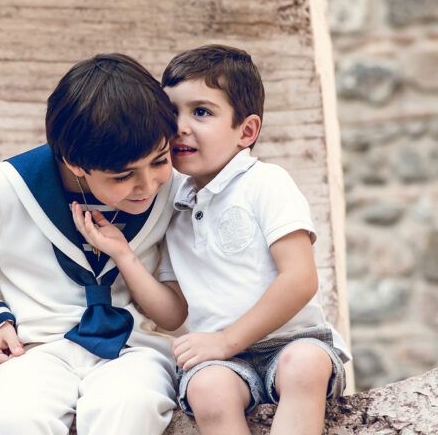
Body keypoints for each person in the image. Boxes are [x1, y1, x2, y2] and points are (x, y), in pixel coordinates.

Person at [74, 44, 351, 435]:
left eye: (201, 112)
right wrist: (124, 254)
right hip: (220, 362)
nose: (180, 127)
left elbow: (300, 279)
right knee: (207, 389)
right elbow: (173, 313)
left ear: (247, 131)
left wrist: (226, 340)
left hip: (291, 340)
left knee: (304, 367)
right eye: (172, 113)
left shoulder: (265, 183)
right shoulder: (175, 204)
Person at [0, 53, 186, 435]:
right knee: (16, 417)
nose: (148, 185)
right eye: (123, 176)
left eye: (160, 161)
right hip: (37, 348)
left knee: (131, 407)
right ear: (74, 162)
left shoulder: (176, 189)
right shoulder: (10, 187)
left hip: (135, 349)